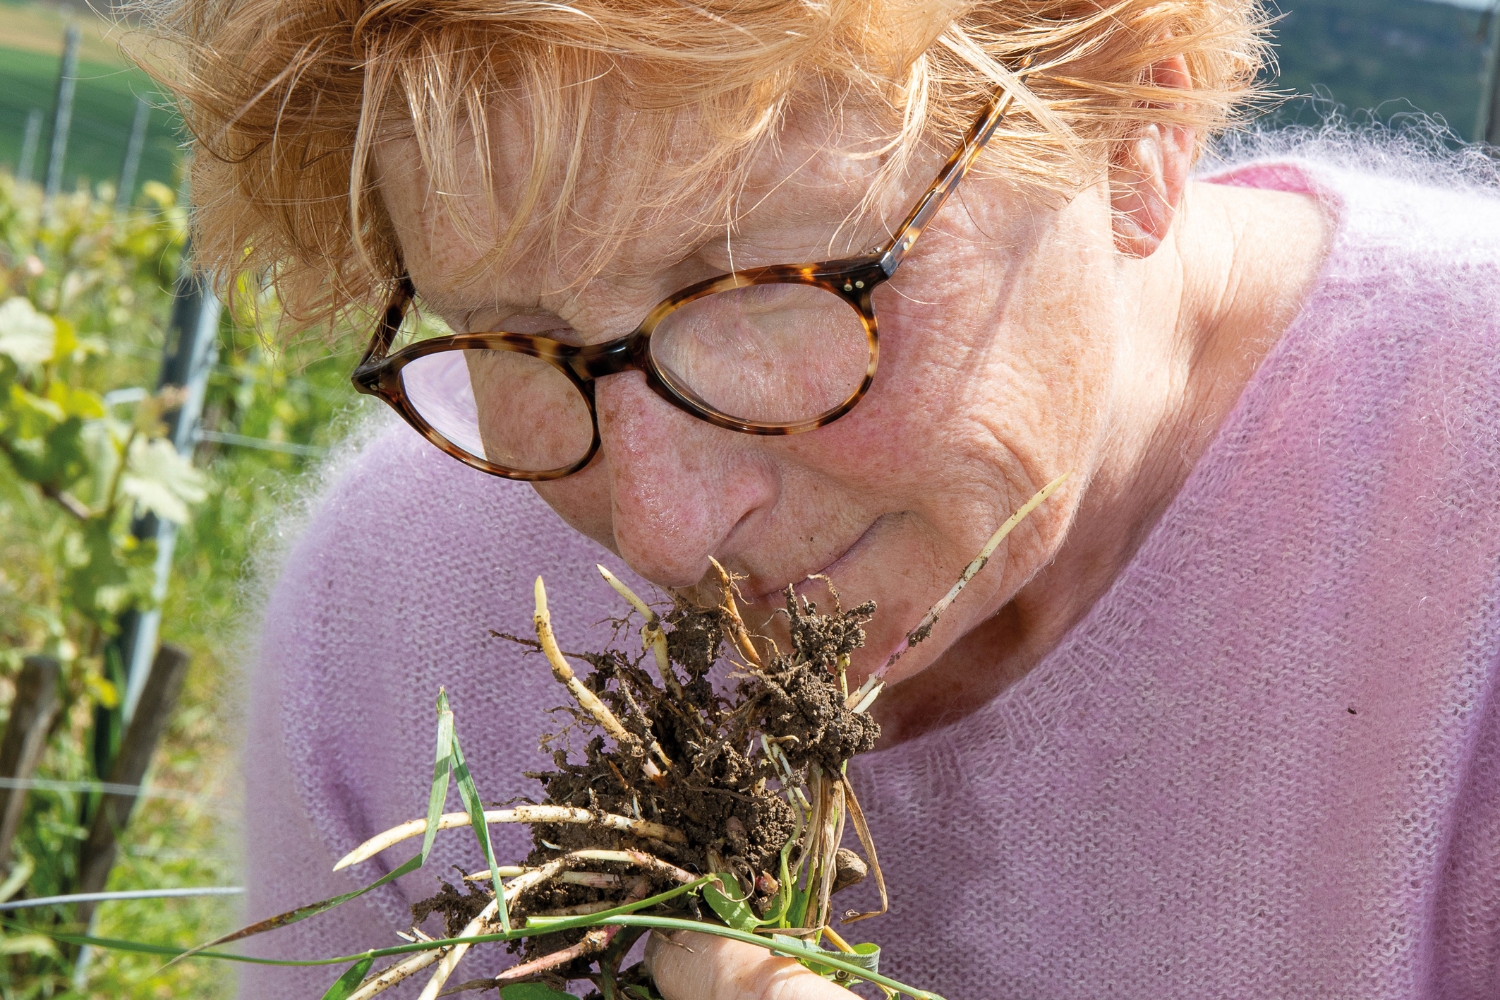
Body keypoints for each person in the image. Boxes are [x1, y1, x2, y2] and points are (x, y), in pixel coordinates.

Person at [145, 0, 1500, 995]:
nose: (661, 532)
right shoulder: (392, 613)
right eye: (514, 336)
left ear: (1135, 127)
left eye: (775, 298)